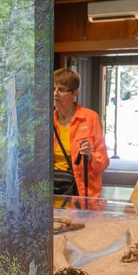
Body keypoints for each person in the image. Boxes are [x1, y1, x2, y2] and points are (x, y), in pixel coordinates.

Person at [53, 68, 109, 198]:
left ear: (74, 93)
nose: (55, 94)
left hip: (83, 194)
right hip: (54, 192)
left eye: (61, 90)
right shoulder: (46, 121)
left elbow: (104, 162)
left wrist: (90, 156)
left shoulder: (90, 118)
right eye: (53, 89)